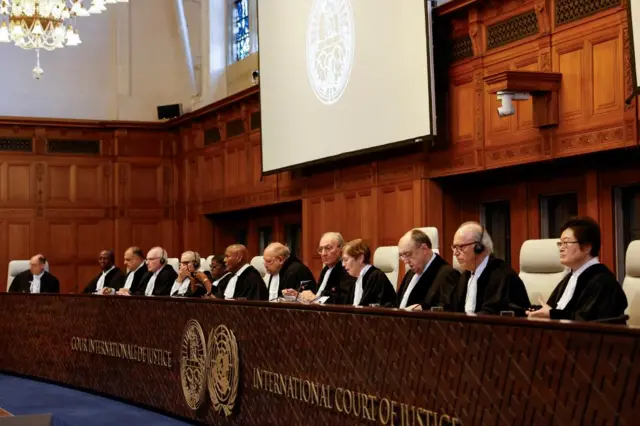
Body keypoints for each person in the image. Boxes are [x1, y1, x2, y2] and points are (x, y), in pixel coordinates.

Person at [527, 217, 628, 323]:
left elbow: (588, 321)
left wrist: (552, 314)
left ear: (586, 247)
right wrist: (538, 311)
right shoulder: (570, 276)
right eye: (560, 243)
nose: (561, 248)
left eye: (566, 243)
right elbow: (555, 310)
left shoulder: (603, 282)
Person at [450, 222, 530, 316]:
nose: (455, 253)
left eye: (460, 247)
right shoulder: (465, 276)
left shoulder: (503, 276)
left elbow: (494, 314)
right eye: (454, 247)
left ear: (479, 247)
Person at [396, 229, 460, 310]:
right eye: (402, 256)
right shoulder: (410, 273)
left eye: (408, 254)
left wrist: (423, 308)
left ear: (424, 249)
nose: (405, 261)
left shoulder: (448, 274)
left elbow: (447, 309)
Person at [291, 232, 355, 304]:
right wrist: (299, 295)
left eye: (328, 248)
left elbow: (344, 299)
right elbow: (318, 294)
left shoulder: (346, 269)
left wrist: (315, 298)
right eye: (321, 249)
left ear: (341, 249)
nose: (323, 253)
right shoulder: (326, 270)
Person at [342, 239, 396, 307]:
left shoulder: (376, 277)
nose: (343, 264)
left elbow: (379, 308)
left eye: (346, 260)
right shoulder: (355, 279)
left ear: (360, 258)